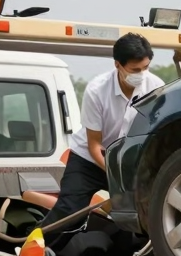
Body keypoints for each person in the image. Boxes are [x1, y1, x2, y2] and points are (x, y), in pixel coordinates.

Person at [38, 32, 165, 245]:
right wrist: (115, 173)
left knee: (145, 210)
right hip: (90, 158)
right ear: (118, 65)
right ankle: (31, 251)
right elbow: (94, 144)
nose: (141, 75)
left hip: (129, 160)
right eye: (135, 70)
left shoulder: (156, 87)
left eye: (146, 68)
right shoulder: (97, 91)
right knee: (70, 210)